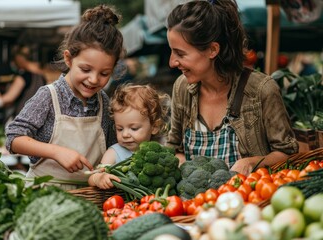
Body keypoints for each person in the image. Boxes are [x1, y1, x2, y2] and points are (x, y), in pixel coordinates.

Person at [165, 0, 299, 176]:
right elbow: (174, 148)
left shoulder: (261, 90)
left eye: (180, 53)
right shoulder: (182, 88)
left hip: (250, 200)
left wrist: (251, 162)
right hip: (193, 203)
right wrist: (181, 163)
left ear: (213, 50)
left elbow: (289, 154)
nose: (172, 62)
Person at [5, 4, 125, 190]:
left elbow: (113, 149)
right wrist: (56, 152)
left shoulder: (103, 102)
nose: (93, 80)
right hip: (44, 195)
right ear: (68, 59)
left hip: (89, 198)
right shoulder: (48, 96)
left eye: (104, 73)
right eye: (85, 69)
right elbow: (13, 138)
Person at [88, 84, 170, 189]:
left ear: (154, 127)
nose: (125, 134)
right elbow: (92, 177)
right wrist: (99, 178)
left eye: (134, 128)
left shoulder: (161, 153)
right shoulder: (114, 153)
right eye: (120, 129)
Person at [0, 44, 46, 120]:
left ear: (19, 58)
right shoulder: (41, 75)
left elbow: (9, 98)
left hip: (23, 119)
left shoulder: (23, 76)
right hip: (37, 118)